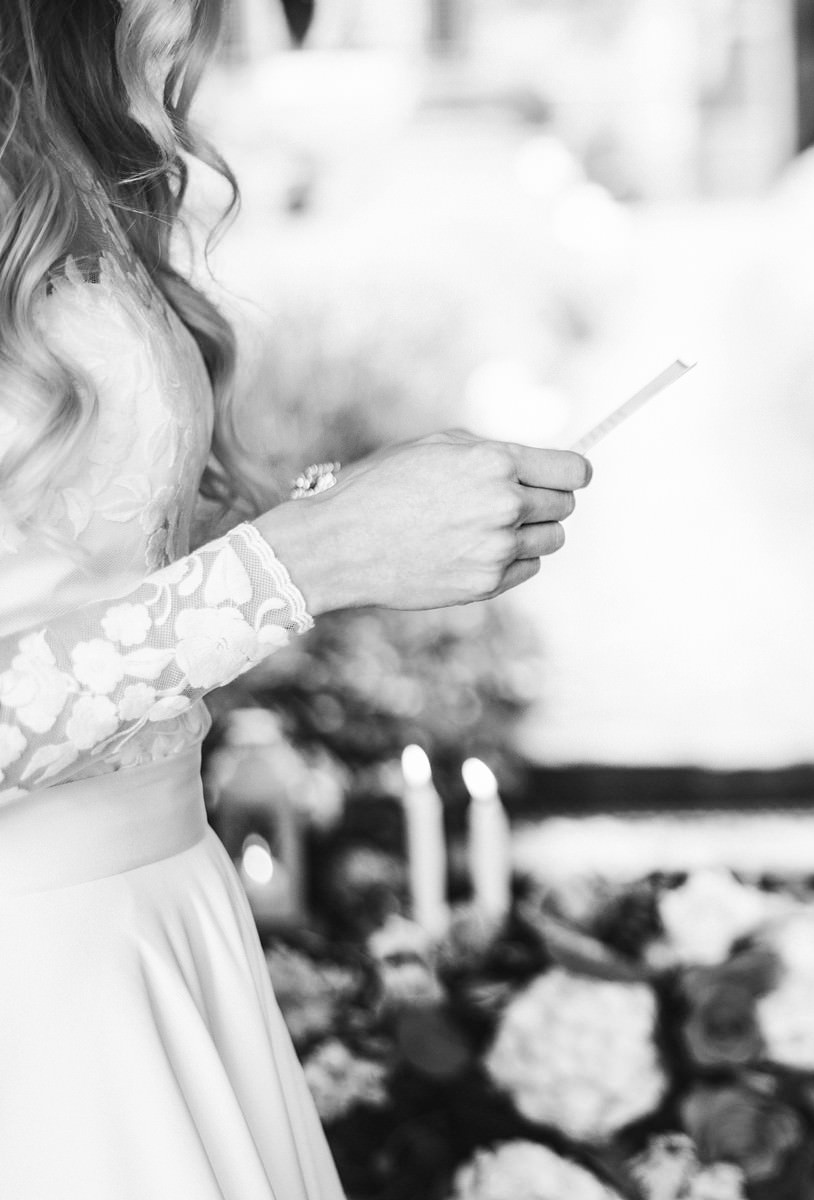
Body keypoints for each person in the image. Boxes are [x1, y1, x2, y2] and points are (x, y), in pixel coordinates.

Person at [0, 3, 592, 1197]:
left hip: (164, 911)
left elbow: (73, 564)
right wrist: (305, 563)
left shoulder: (61, 151)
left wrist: (370, 522)